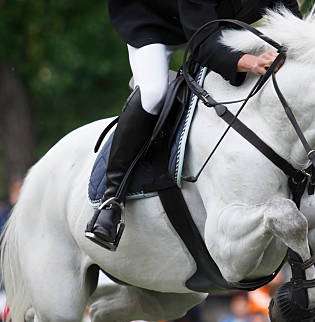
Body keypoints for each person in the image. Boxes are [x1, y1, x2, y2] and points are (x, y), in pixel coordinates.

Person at [86, 0, 302, 250]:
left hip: (212, 21)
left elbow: (291, 23)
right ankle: (112, 198)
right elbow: (202, 44)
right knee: (154, 93)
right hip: (155, 23)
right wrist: (251, 62)